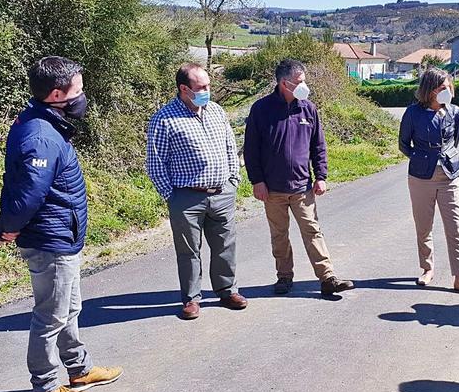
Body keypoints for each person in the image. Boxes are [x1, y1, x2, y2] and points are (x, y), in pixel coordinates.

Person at [0, 56, 122, 392]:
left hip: (63, 235)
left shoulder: (46, 122)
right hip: (50, 240)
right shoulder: (40, 135)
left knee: (70, 308)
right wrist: (7, 228)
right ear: (58, 94)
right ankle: (46, 387)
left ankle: (79, 368)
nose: (83, 95)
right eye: (78, 89)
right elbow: (29, 192)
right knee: (51, 315)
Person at [243, 59, 354, 296]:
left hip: (303, 187)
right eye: (300, 81)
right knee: (279, 235)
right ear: (285, 83)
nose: (305, 85)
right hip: (272, 189)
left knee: (312, 231)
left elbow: (318, 146)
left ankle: (327, 278)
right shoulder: (261, 110)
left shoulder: (308, 108)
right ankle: (284, 277)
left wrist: (321, 176)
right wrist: (257, 181)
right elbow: (250, 149)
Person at [147, 63, 248, 320]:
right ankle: (191, 299)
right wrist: (171, 196)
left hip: (222, 192)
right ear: (184, 89)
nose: (207, 91)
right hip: (187, 197)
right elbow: (155, 162)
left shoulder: (215, 110)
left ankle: (227, 291)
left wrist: (233, 180)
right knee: (189, 250)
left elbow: (229, 146)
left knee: (226, 245)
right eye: (201, 87)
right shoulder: (164, 119)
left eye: (208, 86)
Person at [398, 68, 459, 297]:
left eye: (448, 87)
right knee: (423, 226)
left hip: (449, 176)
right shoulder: (413, 113)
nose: (446, 91)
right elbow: (404, 144)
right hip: (420, 177)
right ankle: (427, 268)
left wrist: (444, 158)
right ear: (429, 90)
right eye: (441, 88)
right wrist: (421, 158)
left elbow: (454, 141)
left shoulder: (454, 112)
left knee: (455, 227)